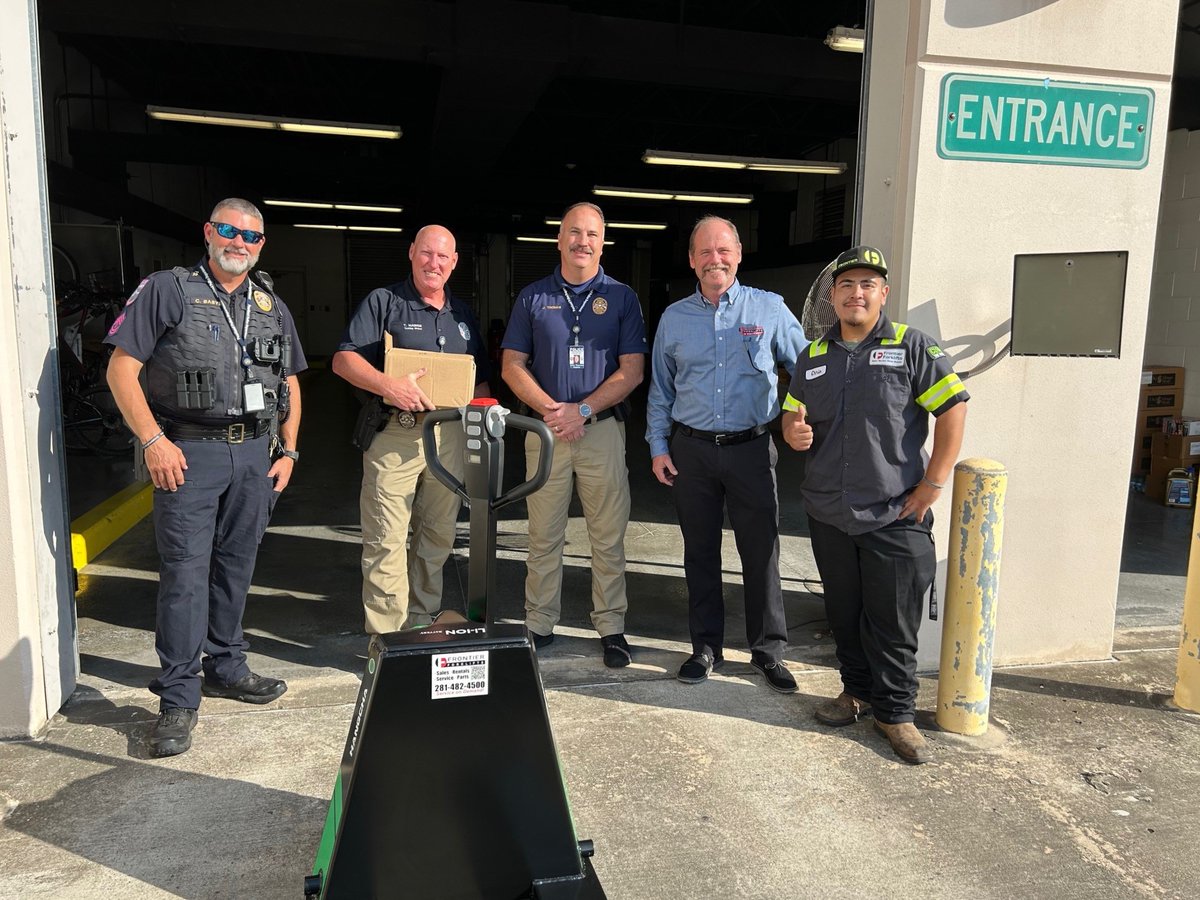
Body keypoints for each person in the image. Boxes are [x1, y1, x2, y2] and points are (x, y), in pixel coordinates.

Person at [105, 198, 305, 757]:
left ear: (262, 244)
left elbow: (290, 382)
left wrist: (289, 451)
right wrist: (152, 441)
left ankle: (227, 664)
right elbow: (122, 368)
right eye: (228, 230)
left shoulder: (270, 304)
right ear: (208, 232)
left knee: (236, 567)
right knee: (186, 575)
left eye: (251, 236)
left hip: (255, 456)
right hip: (188, 452)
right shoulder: (168, 290)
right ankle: (177, 696)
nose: (239, 242)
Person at [781, 245, 968, 764]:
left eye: (867, 285)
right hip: (829, 513)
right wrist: (793, 432)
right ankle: (856, 692)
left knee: (893, 620)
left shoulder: (911, 346)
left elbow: (952, 412)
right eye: (846, 285)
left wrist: (932, 484)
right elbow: (794, 414)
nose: (856, 293)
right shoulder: (813, 356)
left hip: (894, 511)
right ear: (833, 296)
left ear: (883, 294)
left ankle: (898, 714)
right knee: (845, 612)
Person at [647, 215, 808, 691]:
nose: (714, 260)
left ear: (738, 255)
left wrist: (795, 417)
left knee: (761, 552)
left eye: (723, 251)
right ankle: (705, 647)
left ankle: (768, 650)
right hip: (691, 450)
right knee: (699, 553)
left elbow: (807, 371)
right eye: (704, 252)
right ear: (693, 260)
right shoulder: (675, 318)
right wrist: (658, 445)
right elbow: (660, 388)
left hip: (752, 449)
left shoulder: (770, 309)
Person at [501, 202, 646, 667]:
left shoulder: (622, 298)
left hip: (600, 431)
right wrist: (551, 410)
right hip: (544, 431)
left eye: (592, 235)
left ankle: (611, 626)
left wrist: (582, 410)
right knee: (543, 534)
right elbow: (511, 365)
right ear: (559, 240)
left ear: (603, 243)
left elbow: (633, 370)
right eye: (574, 233)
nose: (583, 242)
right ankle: (538, 623)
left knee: (608, 535)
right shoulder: (532, 297)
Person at [332, 225, 490, 635]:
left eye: (442, 257)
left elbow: (480, 381)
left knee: (436, 537)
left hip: (451, 436)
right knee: (386, 538)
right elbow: (343, 361)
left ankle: (420, 625)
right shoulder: (384, 302)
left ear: (454, 263)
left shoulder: (463, 315)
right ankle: (387, 639)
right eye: (426, 253)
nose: (433, 263)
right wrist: (389, 386)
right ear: (411, 254)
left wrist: (488, 424)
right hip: (397, 434)